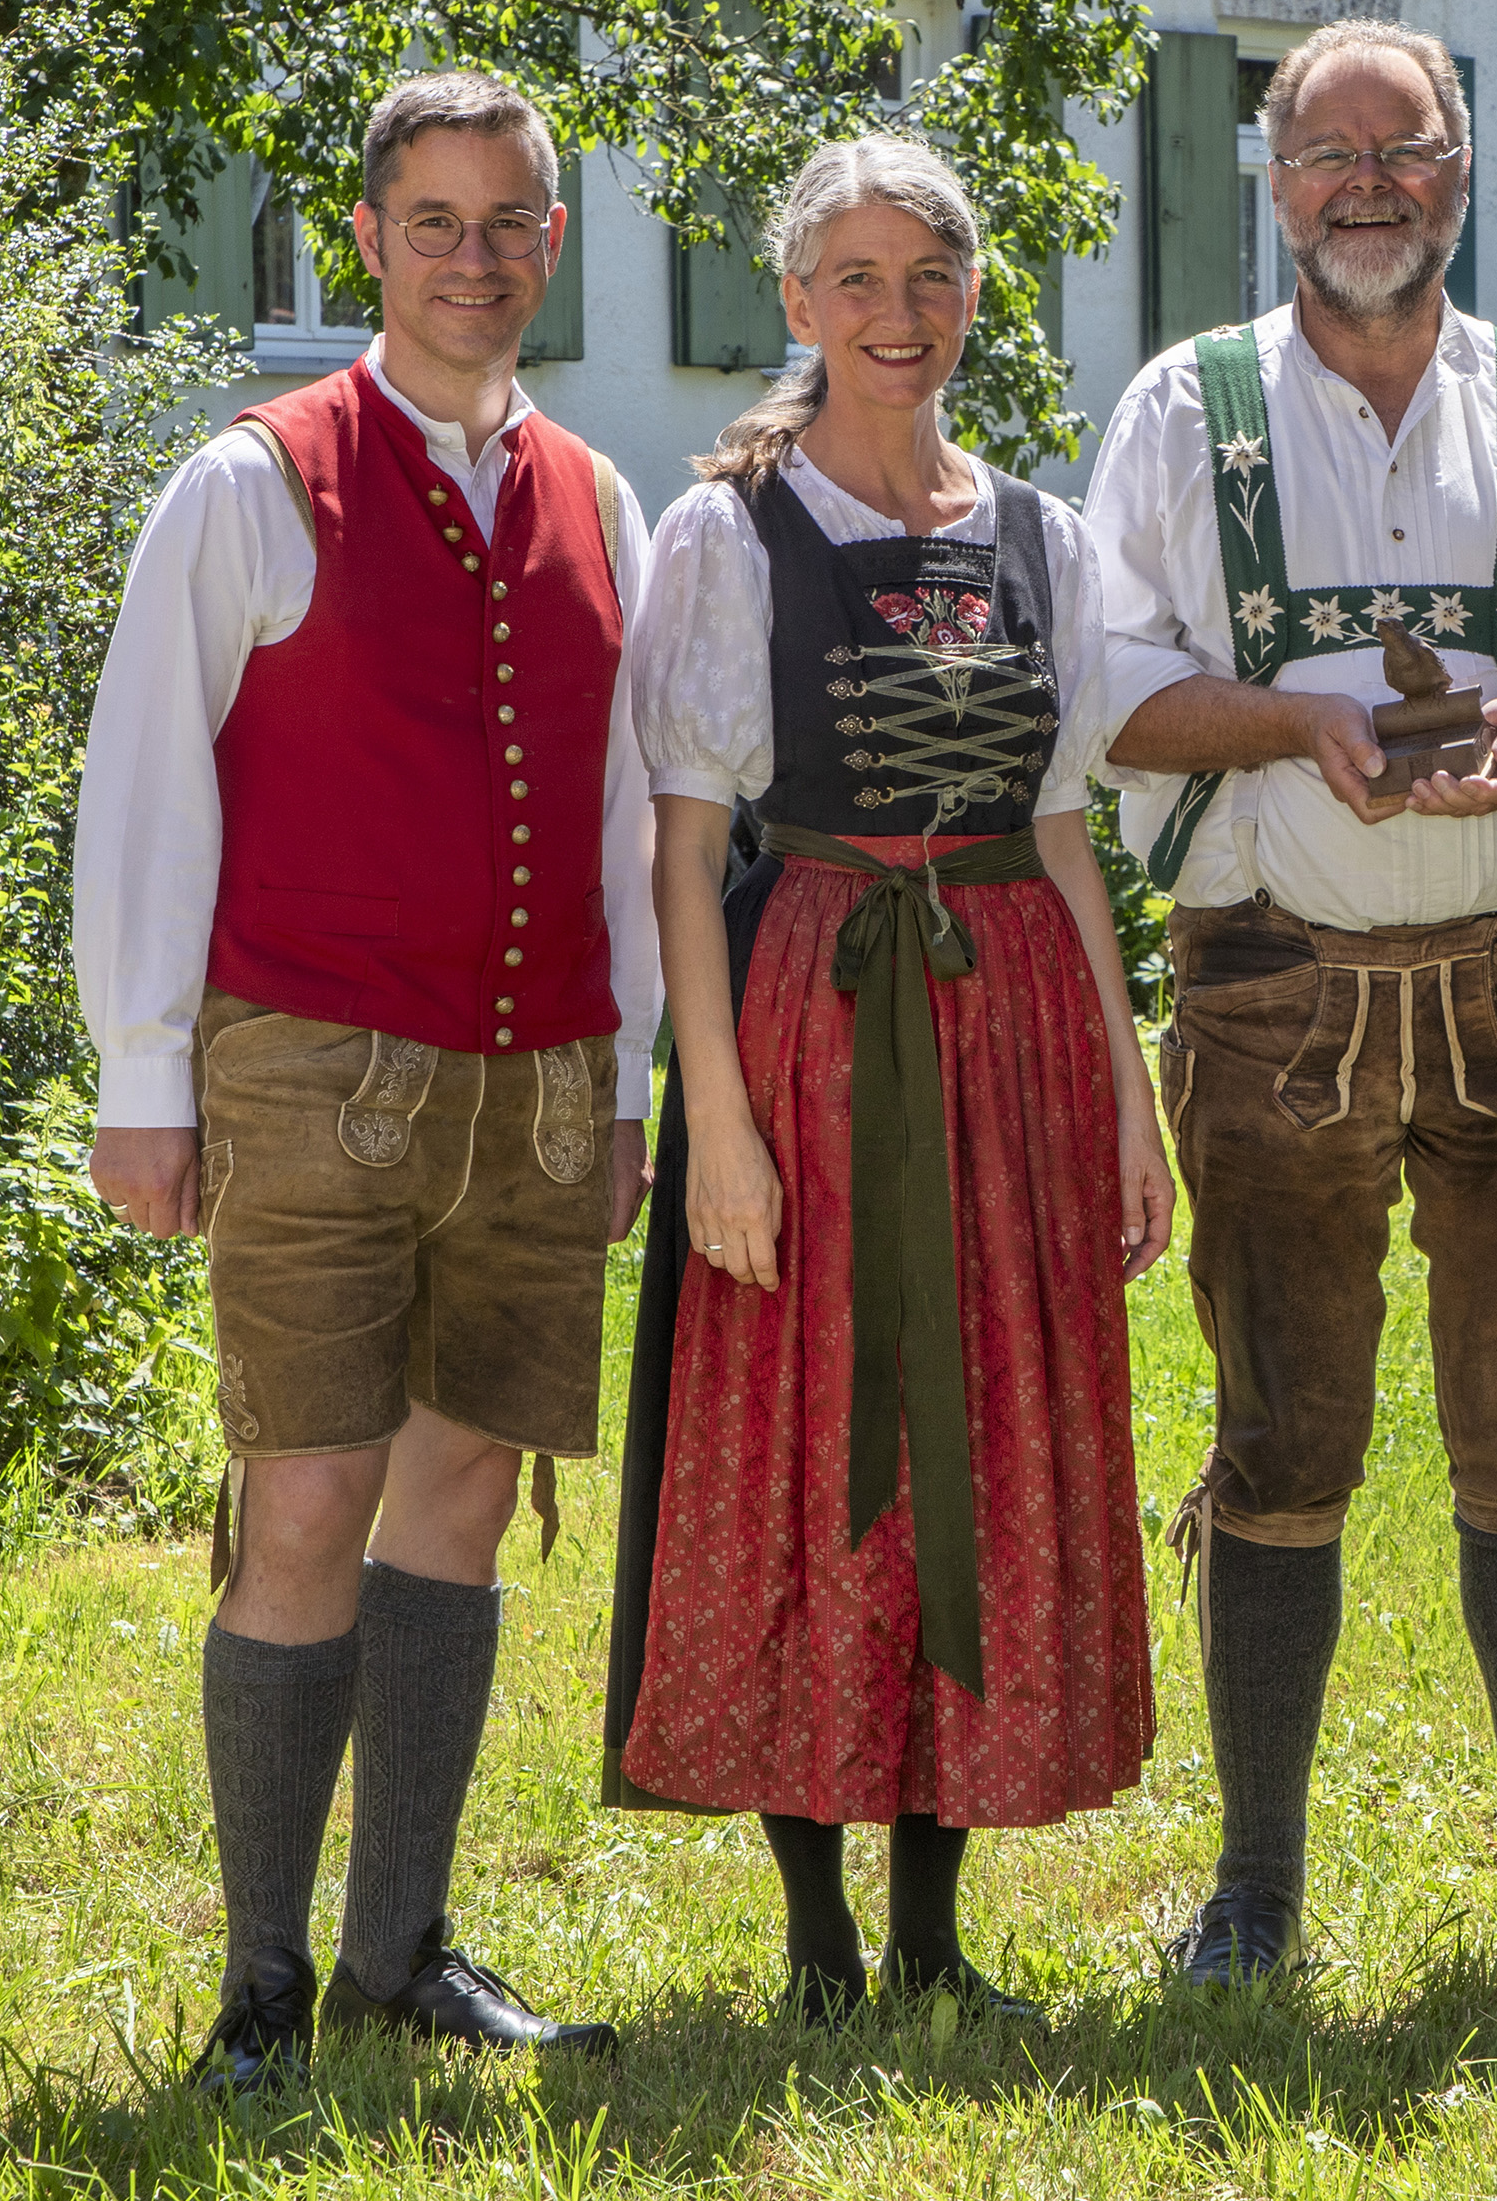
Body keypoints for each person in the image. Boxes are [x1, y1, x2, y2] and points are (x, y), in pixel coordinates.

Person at [1081, 17, 1497, 1982]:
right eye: (1325, 149)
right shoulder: (1183, 410)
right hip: (1269, 985)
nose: (1366, 181)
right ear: (1274, 182)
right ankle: (1253, 1885)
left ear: (1458, 171)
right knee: (1278, 1433)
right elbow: (1109, 693)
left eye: (1403, 147)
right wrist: (1297, 720)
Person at [77, 69, 650, 2091]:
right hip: (308, 1055)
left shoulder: (599, 497)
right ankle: (259, 1976)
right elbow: (144, 789)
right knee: (310, 1487)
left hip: (540, 1076)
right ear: (368, 237)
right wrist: (143, 1077)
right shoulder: (251, 480)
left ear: (550, 248)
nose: (474, 258)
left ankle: (400, 1940)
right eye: (436, 221)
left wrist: (633, 1077)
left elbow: (612, 819)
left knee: (466, 1487)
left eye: (510, 223)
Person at [598, 136, 1172, 2024]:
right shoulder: (726, 533)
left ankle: (934, 1929)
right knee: (813, 1428)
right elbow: (685, 852)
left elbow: (1070, 836)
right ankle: (822, 1942)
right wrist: (722, 1136)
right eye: (854, 277)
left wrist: (1132, 1098)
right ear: (796, 303)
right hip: (818, 1010)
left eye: (930, 274)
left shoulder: (1041, 532)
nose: (896, 314)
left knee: (976, 1429)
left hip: (1006, 1015)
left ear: (977, 297)